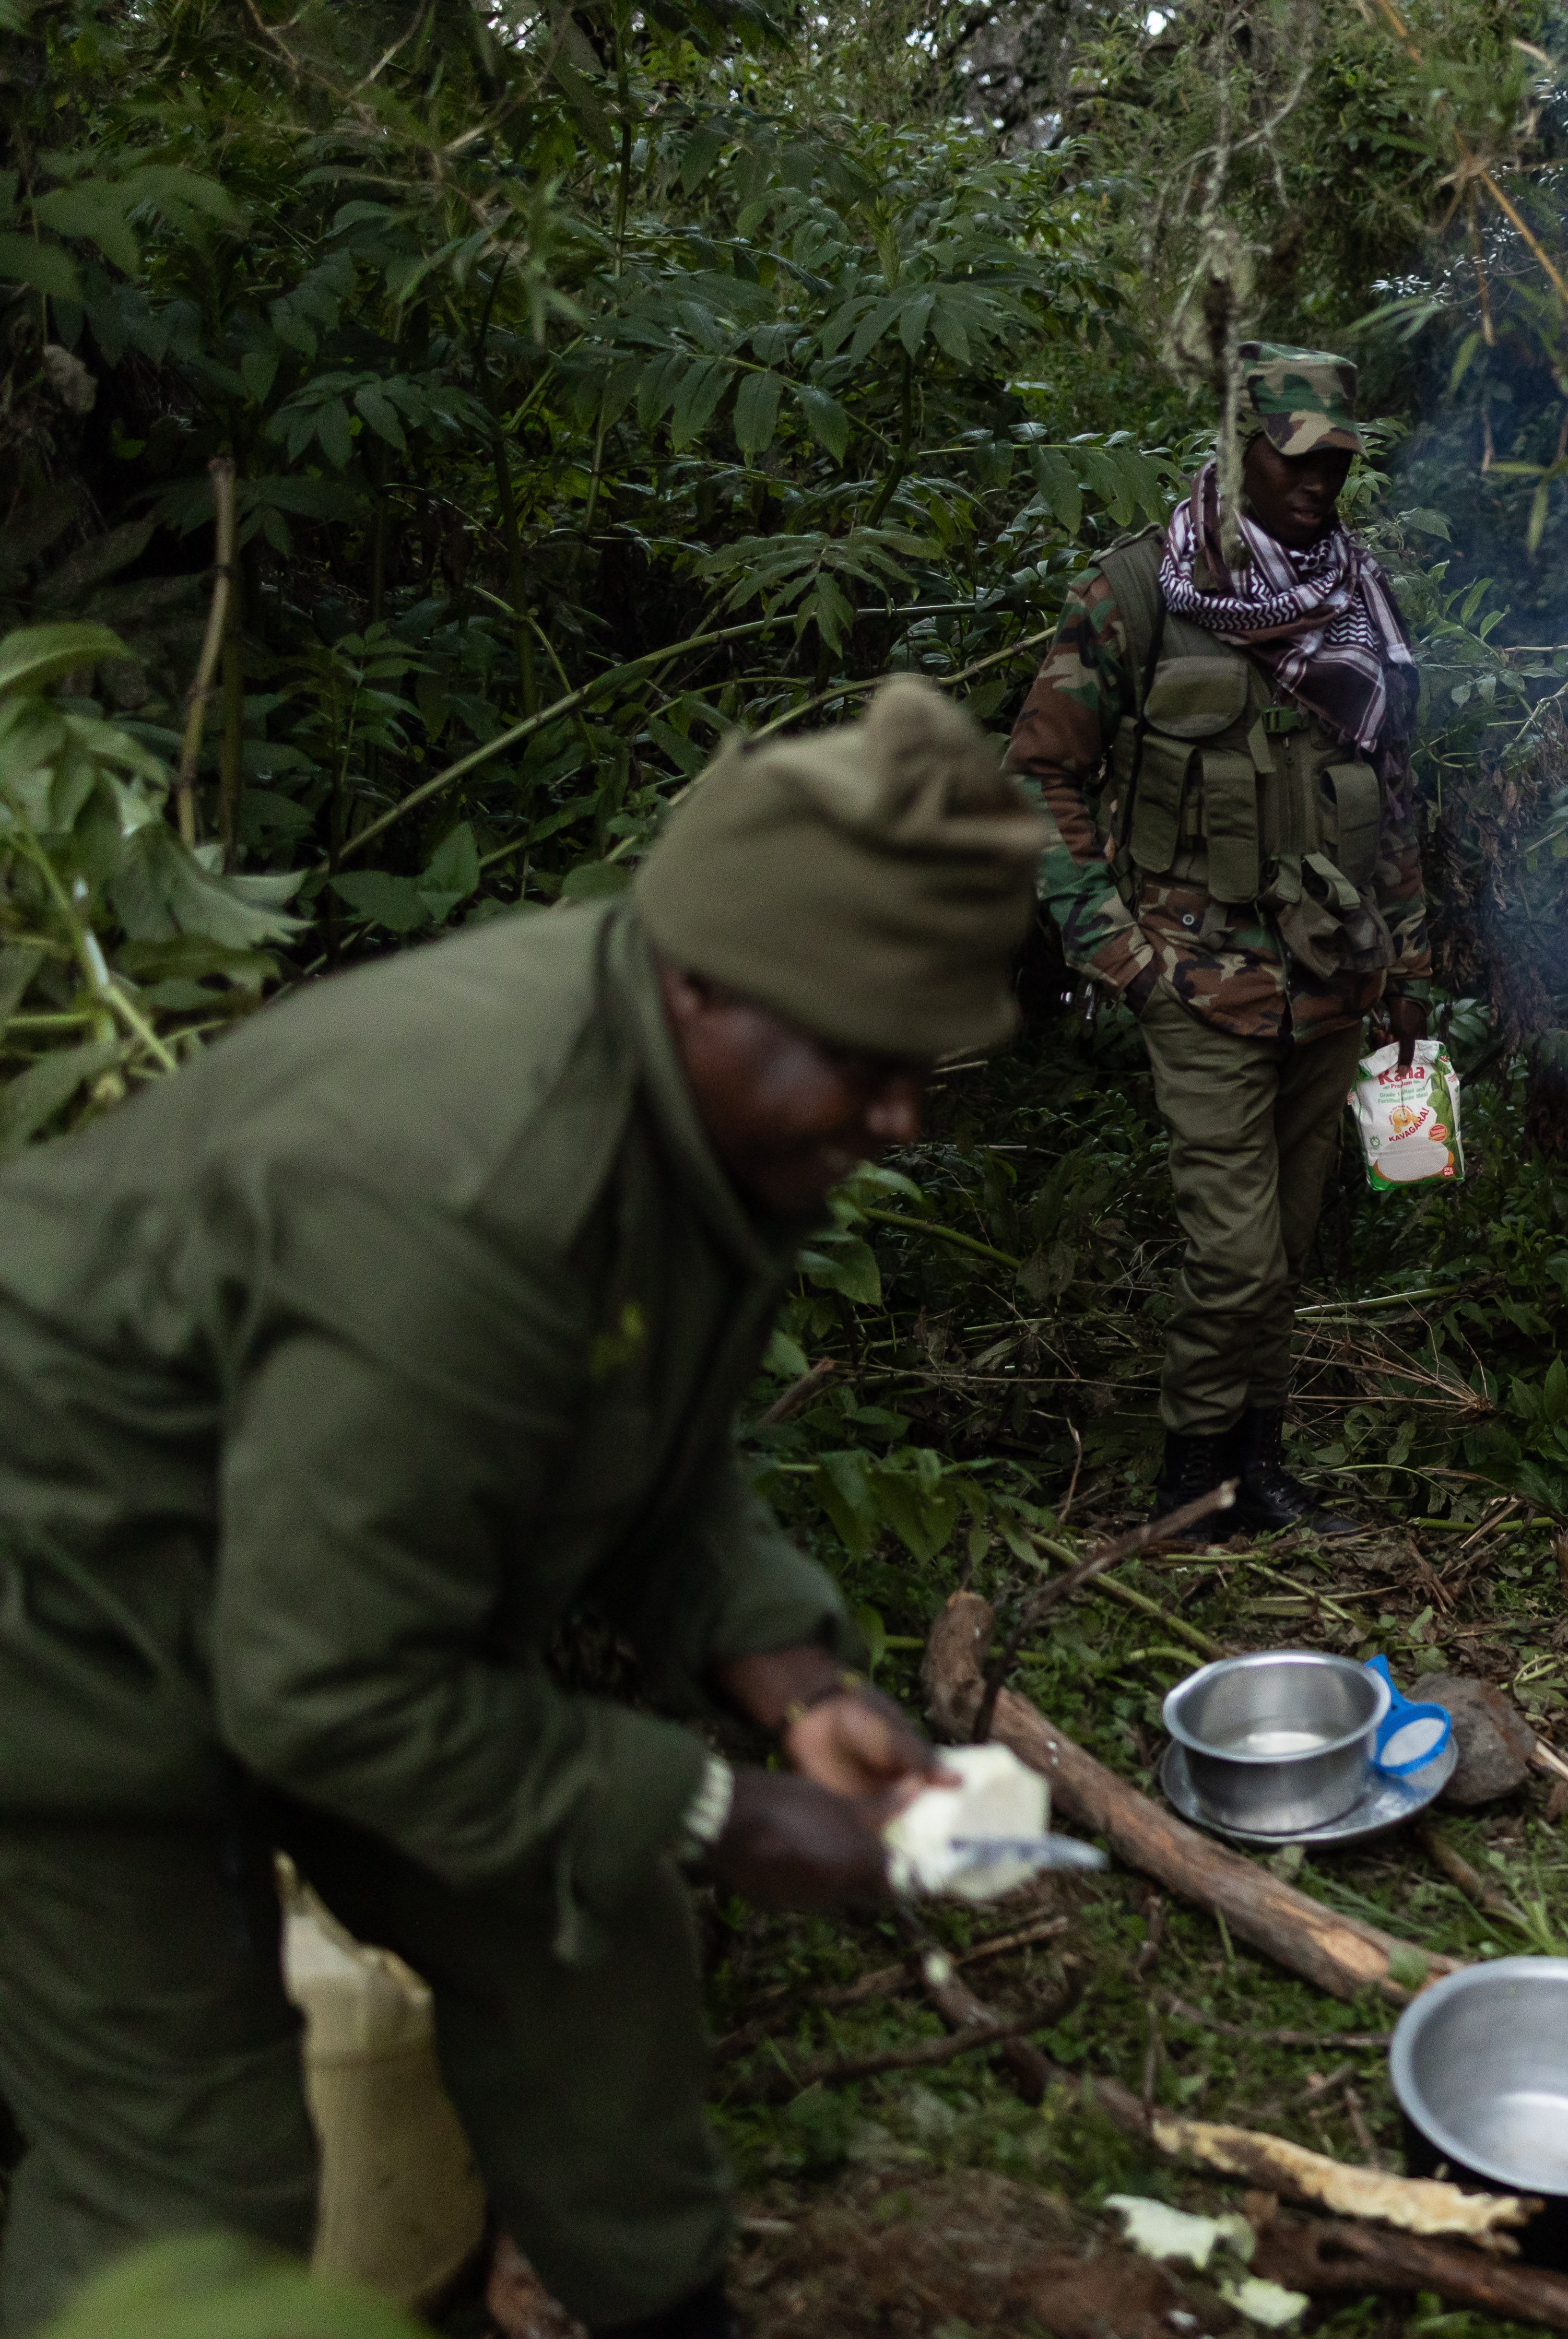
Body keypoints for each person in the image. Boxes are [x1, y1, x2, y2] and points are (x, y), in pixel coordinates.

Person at [0, 678, 1041, 2337]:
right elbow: (326, 1692)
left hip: (337, 1594)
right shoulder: (479, 1187)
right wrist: (718, 1813)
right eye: (864, 1059)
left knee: (584, 1946)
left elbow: (649, 1451)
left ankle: (658, 2309)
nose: (902, 1115)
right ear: (705, 981)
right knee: (190, 2192)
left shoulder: (715, 1129)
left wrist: (790, 1677)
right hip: (69, 1622)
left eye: (924, 1061)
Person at [1006, 341, 1430, 1539]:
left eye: (1337, 460)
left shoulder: (1362, 597)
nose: (1318, 481)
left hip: (1333, 981)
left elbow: (1393, 793)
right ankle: (1191, 1479)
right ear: (1238, 444)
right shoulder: (1141, 591)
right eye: (1295, 457)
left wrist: (1408, 959)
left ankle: (1257, 1472)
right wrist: (1122, 953)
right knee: (1236, 1256)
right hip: (1196, 981)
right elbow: (1039, 778)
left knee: (1283, 1253)